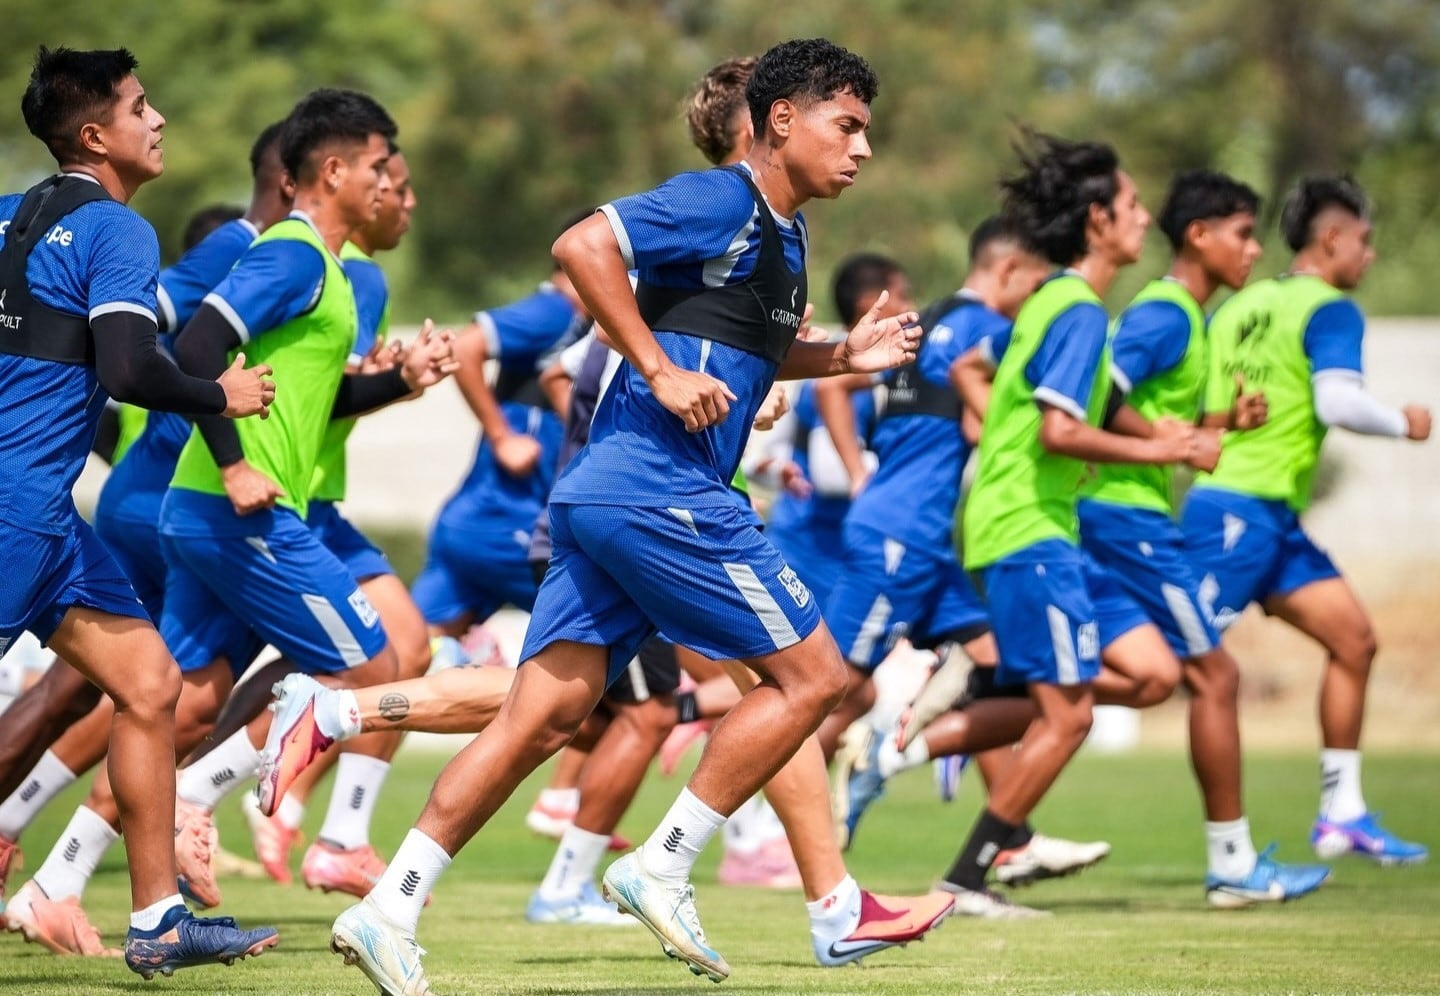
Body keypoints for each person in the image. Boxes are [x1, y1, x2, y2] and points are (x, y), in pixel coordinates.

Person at [268, 38, 935, 992]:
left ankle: (389, 905)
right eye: (850, 125)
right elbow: (581, 246)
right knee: (814, 676)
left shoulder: (784, 236)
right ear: (782, 119)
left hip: (602, 494)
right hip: (660, 489)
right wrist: (660, 373)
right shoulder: (724, 198)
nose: (864, 149)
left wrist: (839, 359)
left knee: (540, 717)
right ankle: (662, 863)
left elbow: (748, 345)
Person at [0, 45, 277, 976]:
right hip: (20, 515)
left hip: (49, 522)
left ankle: (158, 918)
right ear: (95, 136)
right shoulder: (118, 232)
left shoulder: (8, 219)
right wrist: (220, 396)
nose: (157, 120)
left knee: (152, 685)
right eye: (140, 105)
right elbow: (128, 368)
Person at [937, 132, 1213, 915]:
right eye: (1130, 205)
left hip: (1020, 523)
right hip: (1028, 525)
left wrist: (1158, 441)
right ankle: (964, 880)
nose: (1143, 216)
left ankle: (967, 855)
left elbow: (1055, 414)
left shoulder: (1056, 299)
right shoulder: (1081, 311)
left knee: (1113, 692)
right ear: (1097, 219)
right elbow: (1059, 431)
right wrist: (1157, 448)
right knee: (1069, 716)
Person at [1074, 169, 1332, 904]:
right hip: (1124, 515)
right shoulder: (1168, 314)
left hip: (1127, 514)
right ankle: (1231, 865)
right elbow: (1100, 398)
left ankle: (999, 681)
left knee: (1150, 675)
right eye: (1243, 234)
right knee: (1213, 676)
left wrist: (1222, 424)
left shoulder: (1191, 317)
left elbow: (1146, 411)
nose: (1254, 250)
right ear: (1200, 235)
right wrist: (1173, 445)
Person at [1181, 174, 1431, 865]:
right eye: (1366, 241)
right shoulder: (1331, 309)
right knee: (1160, 665)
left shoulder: (1238, 304)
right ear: (1332, 239)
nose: (1371, 255)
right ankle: (979, 703)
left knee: (1355, 641)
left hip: (1270, 520)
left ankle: (1342, 811)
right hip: (1236, 513)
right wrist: (1401, 423)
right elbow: (1338, 404)